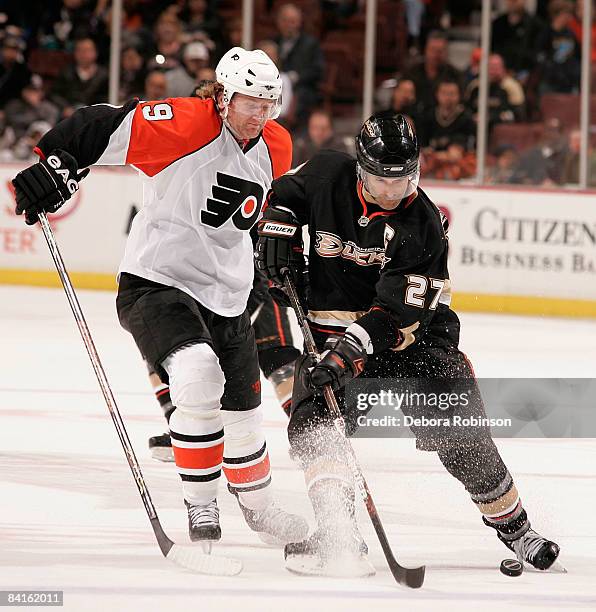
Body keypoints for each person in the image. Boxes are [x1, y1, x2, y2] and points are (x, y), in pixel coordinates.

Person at [12, 46, 308, 549]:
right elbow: (98, 123)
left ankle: (259, 512)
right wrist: (57, 164)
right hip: (158, 281)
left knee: (243, 416)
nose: (259, 114)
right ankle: (202, 507)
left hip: (229, 295)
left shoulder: (276, 145)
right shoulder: (187, 124)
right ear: (222, 97)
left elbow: (265, 211)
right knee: (196, 376)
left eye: (268, 103)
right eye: (248, 101)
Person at [255, 113, 560, 576]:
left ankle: (518, 530)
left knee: (461, 435)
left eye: (404, 179)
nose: (395, 192)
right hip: (333, 331)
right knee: (315, 424)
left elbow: (395, 316)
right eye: (383, 181)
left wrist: (345, 353)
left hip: (416, 343)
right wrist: (278, 226)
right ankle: (338, 530)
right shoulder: (325, 173)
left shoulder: (424, 225)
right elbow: (284, 193)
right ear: (360, 168)